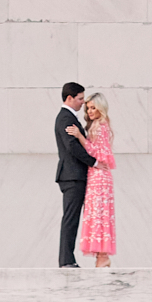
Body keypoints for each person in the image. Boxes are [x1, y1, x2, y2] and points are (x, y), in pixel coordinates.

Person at [54, 80, 92, 266]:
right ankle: (66, 261)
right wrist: (94, 162)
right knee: (70, 219)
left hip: (73, 175)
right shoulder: (66, 118)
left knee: (72, 218)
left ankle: (67, 260)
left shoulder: (68, 118)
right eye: (80, 99)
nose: (82, 102)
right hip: (72, 176)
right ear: (69, 98)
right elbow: (72, 147)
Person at [77, 95, 116, 267]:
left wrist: (79, 136)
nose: (90, 111)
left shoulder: (100, 126)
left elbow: (96, 151)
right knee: (97, 213)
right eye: (88, 108)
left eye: (93, 108)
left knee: (99, 213)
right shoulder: (99, 125)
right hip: (96, 175)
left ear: (100, 108)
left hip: (99, 176)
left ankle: (103, 256)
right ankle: (101, 256)